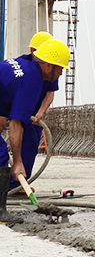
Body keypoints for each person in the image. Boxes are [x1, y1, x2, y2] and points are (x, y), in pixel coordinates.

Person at [0, 38, 70, 223]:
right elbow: (16, 124)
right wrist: (18, 162)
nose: (61, 73)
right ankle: (0, 212)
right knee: (1, 155)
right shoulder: (32, 80)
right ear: (48, 66)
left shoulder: (24, 63)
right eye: (60, 68)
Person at [7, 32, 59, 194]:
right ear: (32, 50)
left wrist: (40, 112)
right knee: (2, 151)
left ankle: (17, 184)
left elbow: (50, 93)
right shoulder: (26, 67)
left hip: (33, 110)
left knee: (29, 143)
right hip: (16, 104)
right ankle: (8, 185)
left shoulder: (50, 67)